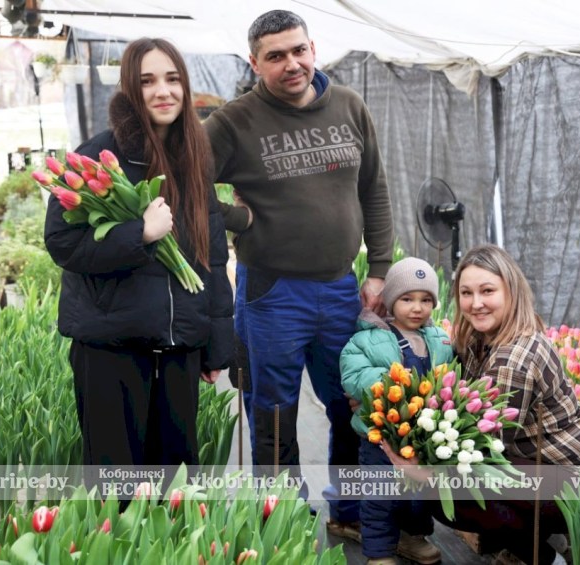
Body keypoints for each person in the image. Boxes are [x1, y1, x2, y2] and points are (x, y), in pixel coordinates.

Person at [203, 10, 393, 535]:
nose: (292, 64)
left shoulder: (350, 107)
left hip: (340, 287)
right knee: (273, 410)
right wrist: (239, 217)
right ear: (254, 63)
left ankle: (351, 515)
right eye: (276, 56)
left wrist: (378, 268)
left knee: (351, 403)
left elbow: (373, 188)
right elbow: (182, 186)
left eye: (298, 50)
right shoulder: (232, 123)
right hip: (271, 292)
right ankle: (282, 517)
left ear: (314, 47)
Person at [44, 38, 234, 480]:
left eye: (172, 79)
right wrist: (139, 234)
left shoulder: (192, 158)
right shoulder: (95, 157)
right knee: (117, 487)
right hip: (112, 350)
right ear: (131, 89)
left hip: (177, 351)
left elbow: (213, 254)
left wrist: (215, 347)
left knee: (176, 486)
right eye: (147, 81)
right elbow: (62, 244)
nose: (162, 91)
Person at [385, 244, 580, 565]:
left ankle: (545, 557)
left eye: (487, 291)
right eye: (466, 292)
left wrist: (423, 469)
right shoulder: (481, 339)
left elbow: (482, 449)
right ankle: (531, 538)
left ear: (511, 292)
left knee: (450, 493)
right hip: (542, 467)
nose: (475, 304)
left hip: (579, 483)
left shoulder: (513, 360)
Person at [340, 258, 453, 565]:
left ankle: (413, 537)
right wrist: (394, 384)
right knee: (380, 496)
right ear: (391, 301)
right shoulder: (368, 338)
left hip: (421, 438)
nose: (417, 307)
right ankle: (379, 553)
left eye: (425, 300)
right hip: (381, 437)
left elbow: (451, 376)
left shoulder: (440, 340)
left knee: (418, 496)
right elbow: (353, 375)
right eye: (407, 299)